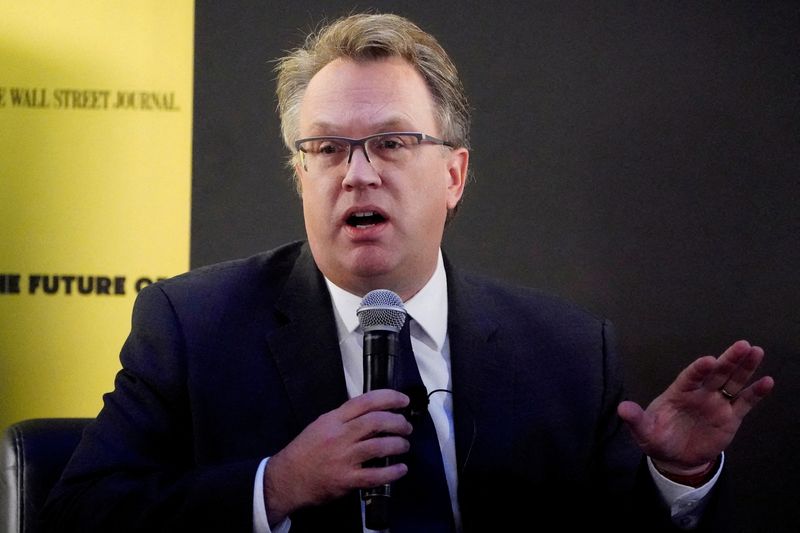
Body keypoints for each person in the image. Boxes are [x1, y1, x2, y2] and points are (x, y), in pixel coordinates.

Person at [42, 12, 774, 533]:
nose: (357, 175)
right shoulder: (192, 326)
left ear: (454, 174)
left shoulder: (567, 353)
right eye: (326, 150)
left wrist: (676, 478)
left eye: (391, 142)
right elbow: (79, 513)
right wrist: (279, 484)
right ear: (300, 175)